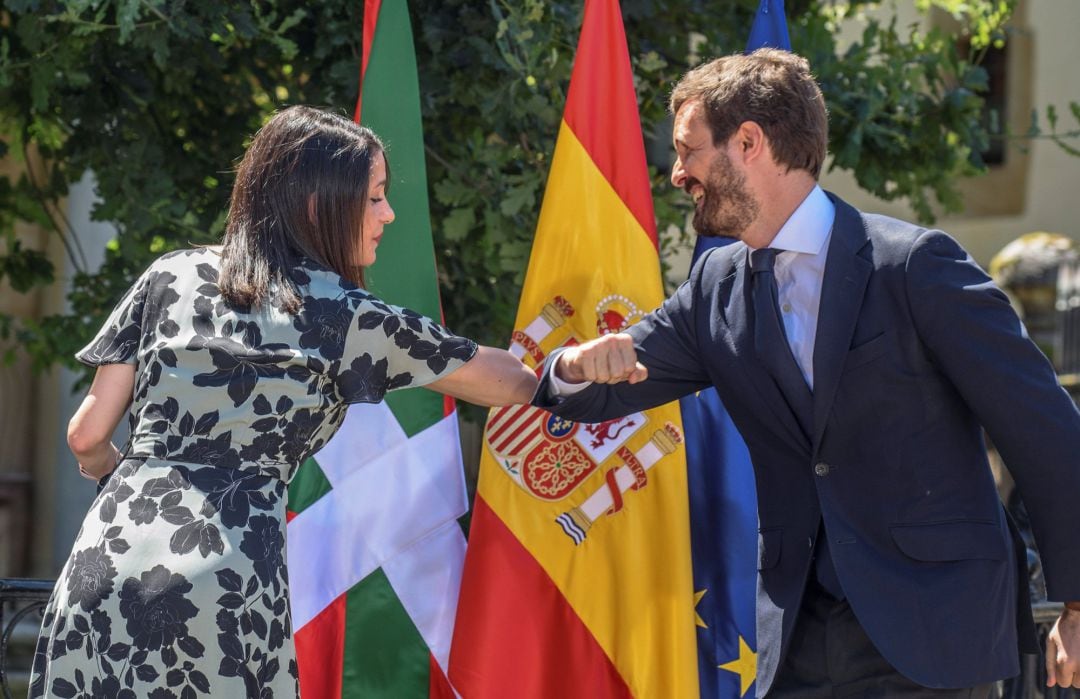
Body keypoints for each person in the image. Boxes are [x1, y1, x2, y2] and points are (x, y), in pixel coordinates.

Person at [534, 49, 1080, 697]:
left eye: (688, 149)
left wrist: (1075, 606)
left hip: (933, 633)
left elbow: (1045, 431)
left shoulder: (914, 266)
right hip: (797, 641)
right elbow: (609, 378)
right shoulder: (716, 284)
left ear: (749, 141)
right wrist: (569, 365)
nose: (678, 172)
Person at [29, 106, 537, 698]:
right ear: (319, 204)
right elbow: (508, 382)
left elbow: (86, 435)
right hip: (222, 576)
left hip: (103, 561)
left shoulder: (169, 275)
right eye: (374, 198)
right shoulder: (345, 316)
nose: (388, 213)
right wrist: (570, 362)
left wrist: (123, 477)